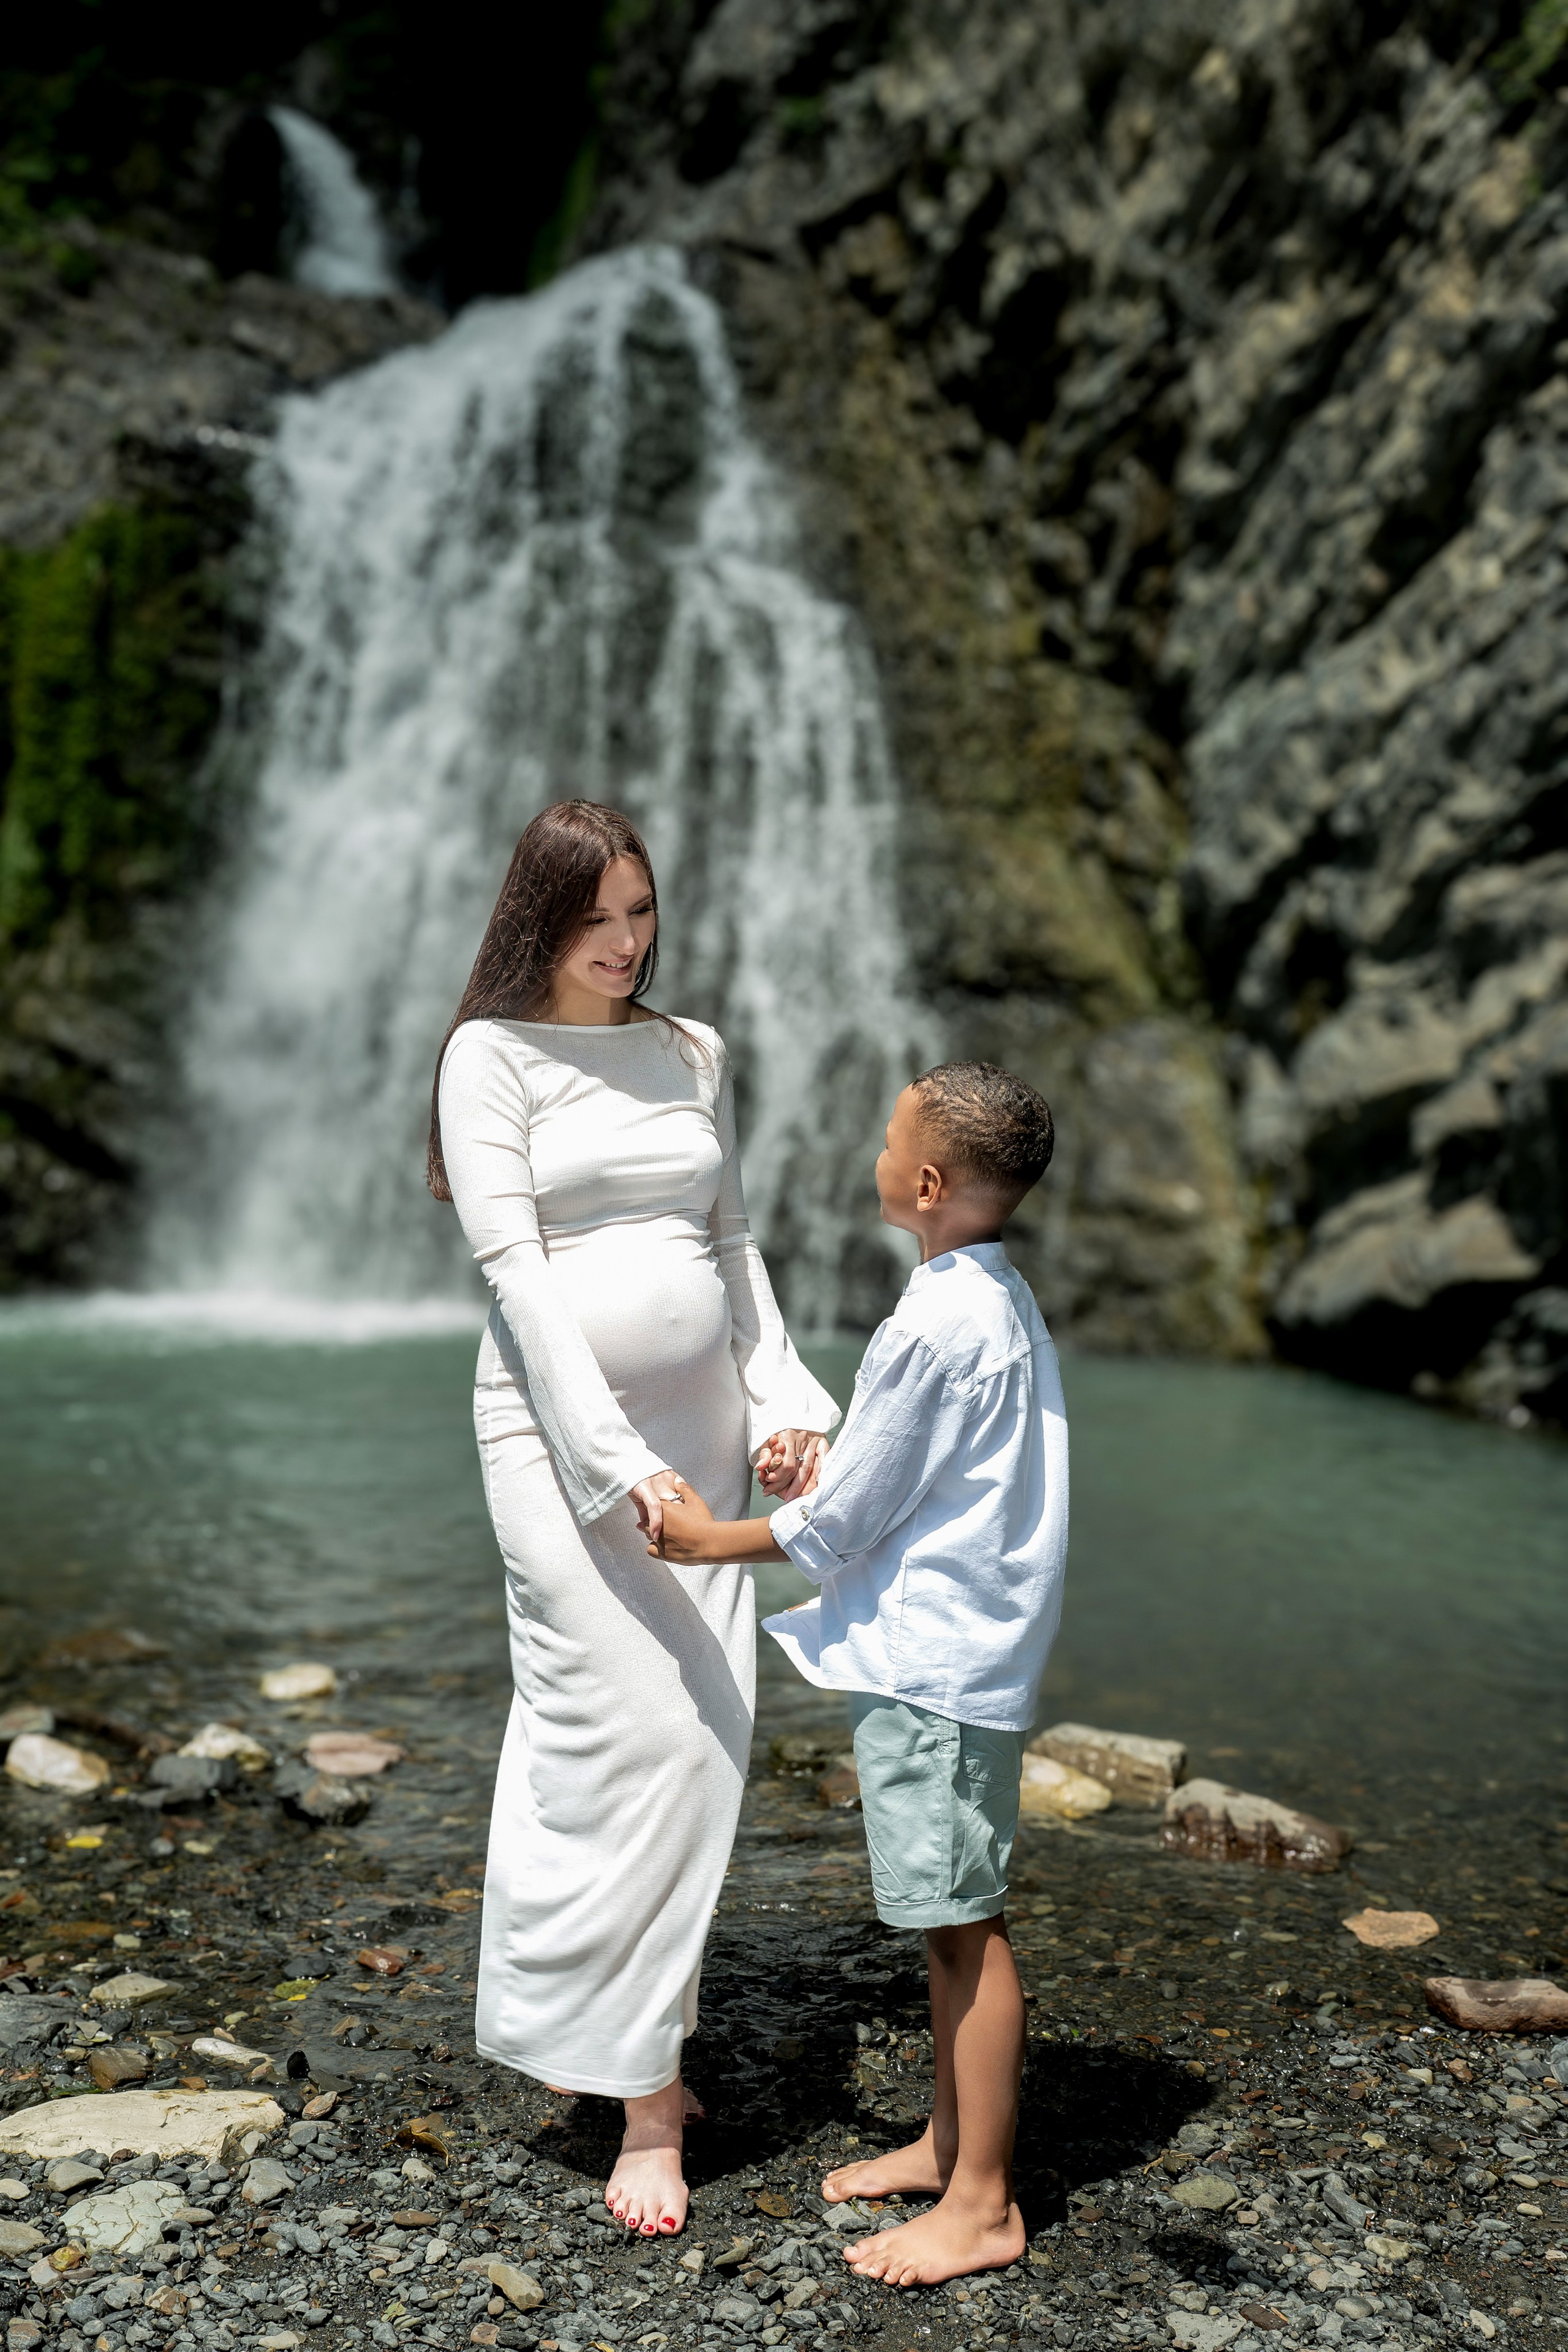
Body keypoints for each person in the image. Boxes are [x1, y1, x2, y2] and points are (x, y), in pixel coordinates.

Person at [428, 799, 838, 2237]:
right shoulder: (486, 1056)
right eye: (595, 917)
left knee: (702, 1732)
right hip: (556, 1440)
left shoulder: (690, 1050)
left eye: (642, 912)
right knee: (610, 1728)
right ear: (537, 917)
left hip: (706, 1431)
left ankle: (634, 2049)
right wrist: (613, 1465)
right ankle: (642, 2103)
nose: (623, 942)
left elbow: (730, 1242)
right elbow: (520, 1282)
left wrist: (792, 1403)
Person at [649, 1061, 1067, 2286]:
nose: (875, 1154)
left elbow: (847, 1523)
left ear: (925, 1182)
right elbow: (901, 1472)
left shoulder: (932, 1320)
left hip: (938, 1663)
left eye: (890, 1140)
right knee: (951, 1920)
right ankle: (947, 2140)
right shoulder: (989, 1297)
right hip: (969, 1647)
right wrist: (829, 1461)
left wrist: (705, 1540)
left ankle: (983, 2203)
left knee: (959, 1931)